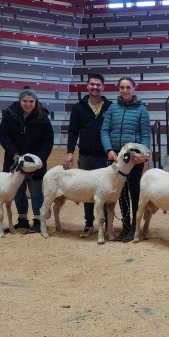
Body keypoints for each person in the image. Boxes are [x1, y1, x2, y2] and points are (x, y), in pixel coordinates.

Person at [0, 86, 54, 233]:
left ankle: (38, 221)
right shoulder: (9, 114)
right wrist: (14, 153)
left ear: (35, 101)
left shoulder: (43, 117)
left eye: (31, 101)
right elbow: (3, 135)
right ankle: (22, 220)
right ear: (20, 100)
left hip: (36, 163)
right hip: (14, 161)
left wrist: (40, 159)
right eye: (25, 101)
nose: (28, 104)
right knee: (18, 191)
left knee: (36, 192)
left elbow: (48, 141)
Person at [101, 76, 151, 242]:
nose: (125, 90)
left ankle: (135, 227)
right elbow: (105, 131)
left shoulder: (142, 110)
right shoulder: (112, 108)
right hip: (116, 157)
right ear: (118, 89)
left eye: (128, 87)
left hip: (134, 158)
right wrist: (109, 150)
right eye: (122, 87)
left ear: (134, 89)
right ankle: (126, 225)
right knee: (120, 193)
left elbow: (145, 135)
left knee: (135, 192)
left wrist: (142, 156)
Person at [63, 73, 112, 238]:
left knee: (104, 193)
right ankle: (89, 224)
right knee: (87, 192)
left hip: (104, 157)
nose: (95, 87)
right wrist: (70, 152)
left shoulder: (110, 107)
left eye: (98, 85)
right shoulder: (78, 107)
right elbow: (72, 131)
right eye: (92, 84)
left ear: (103, 87)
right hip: (84, 156)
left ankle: (105, 225)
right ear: (87, 86)